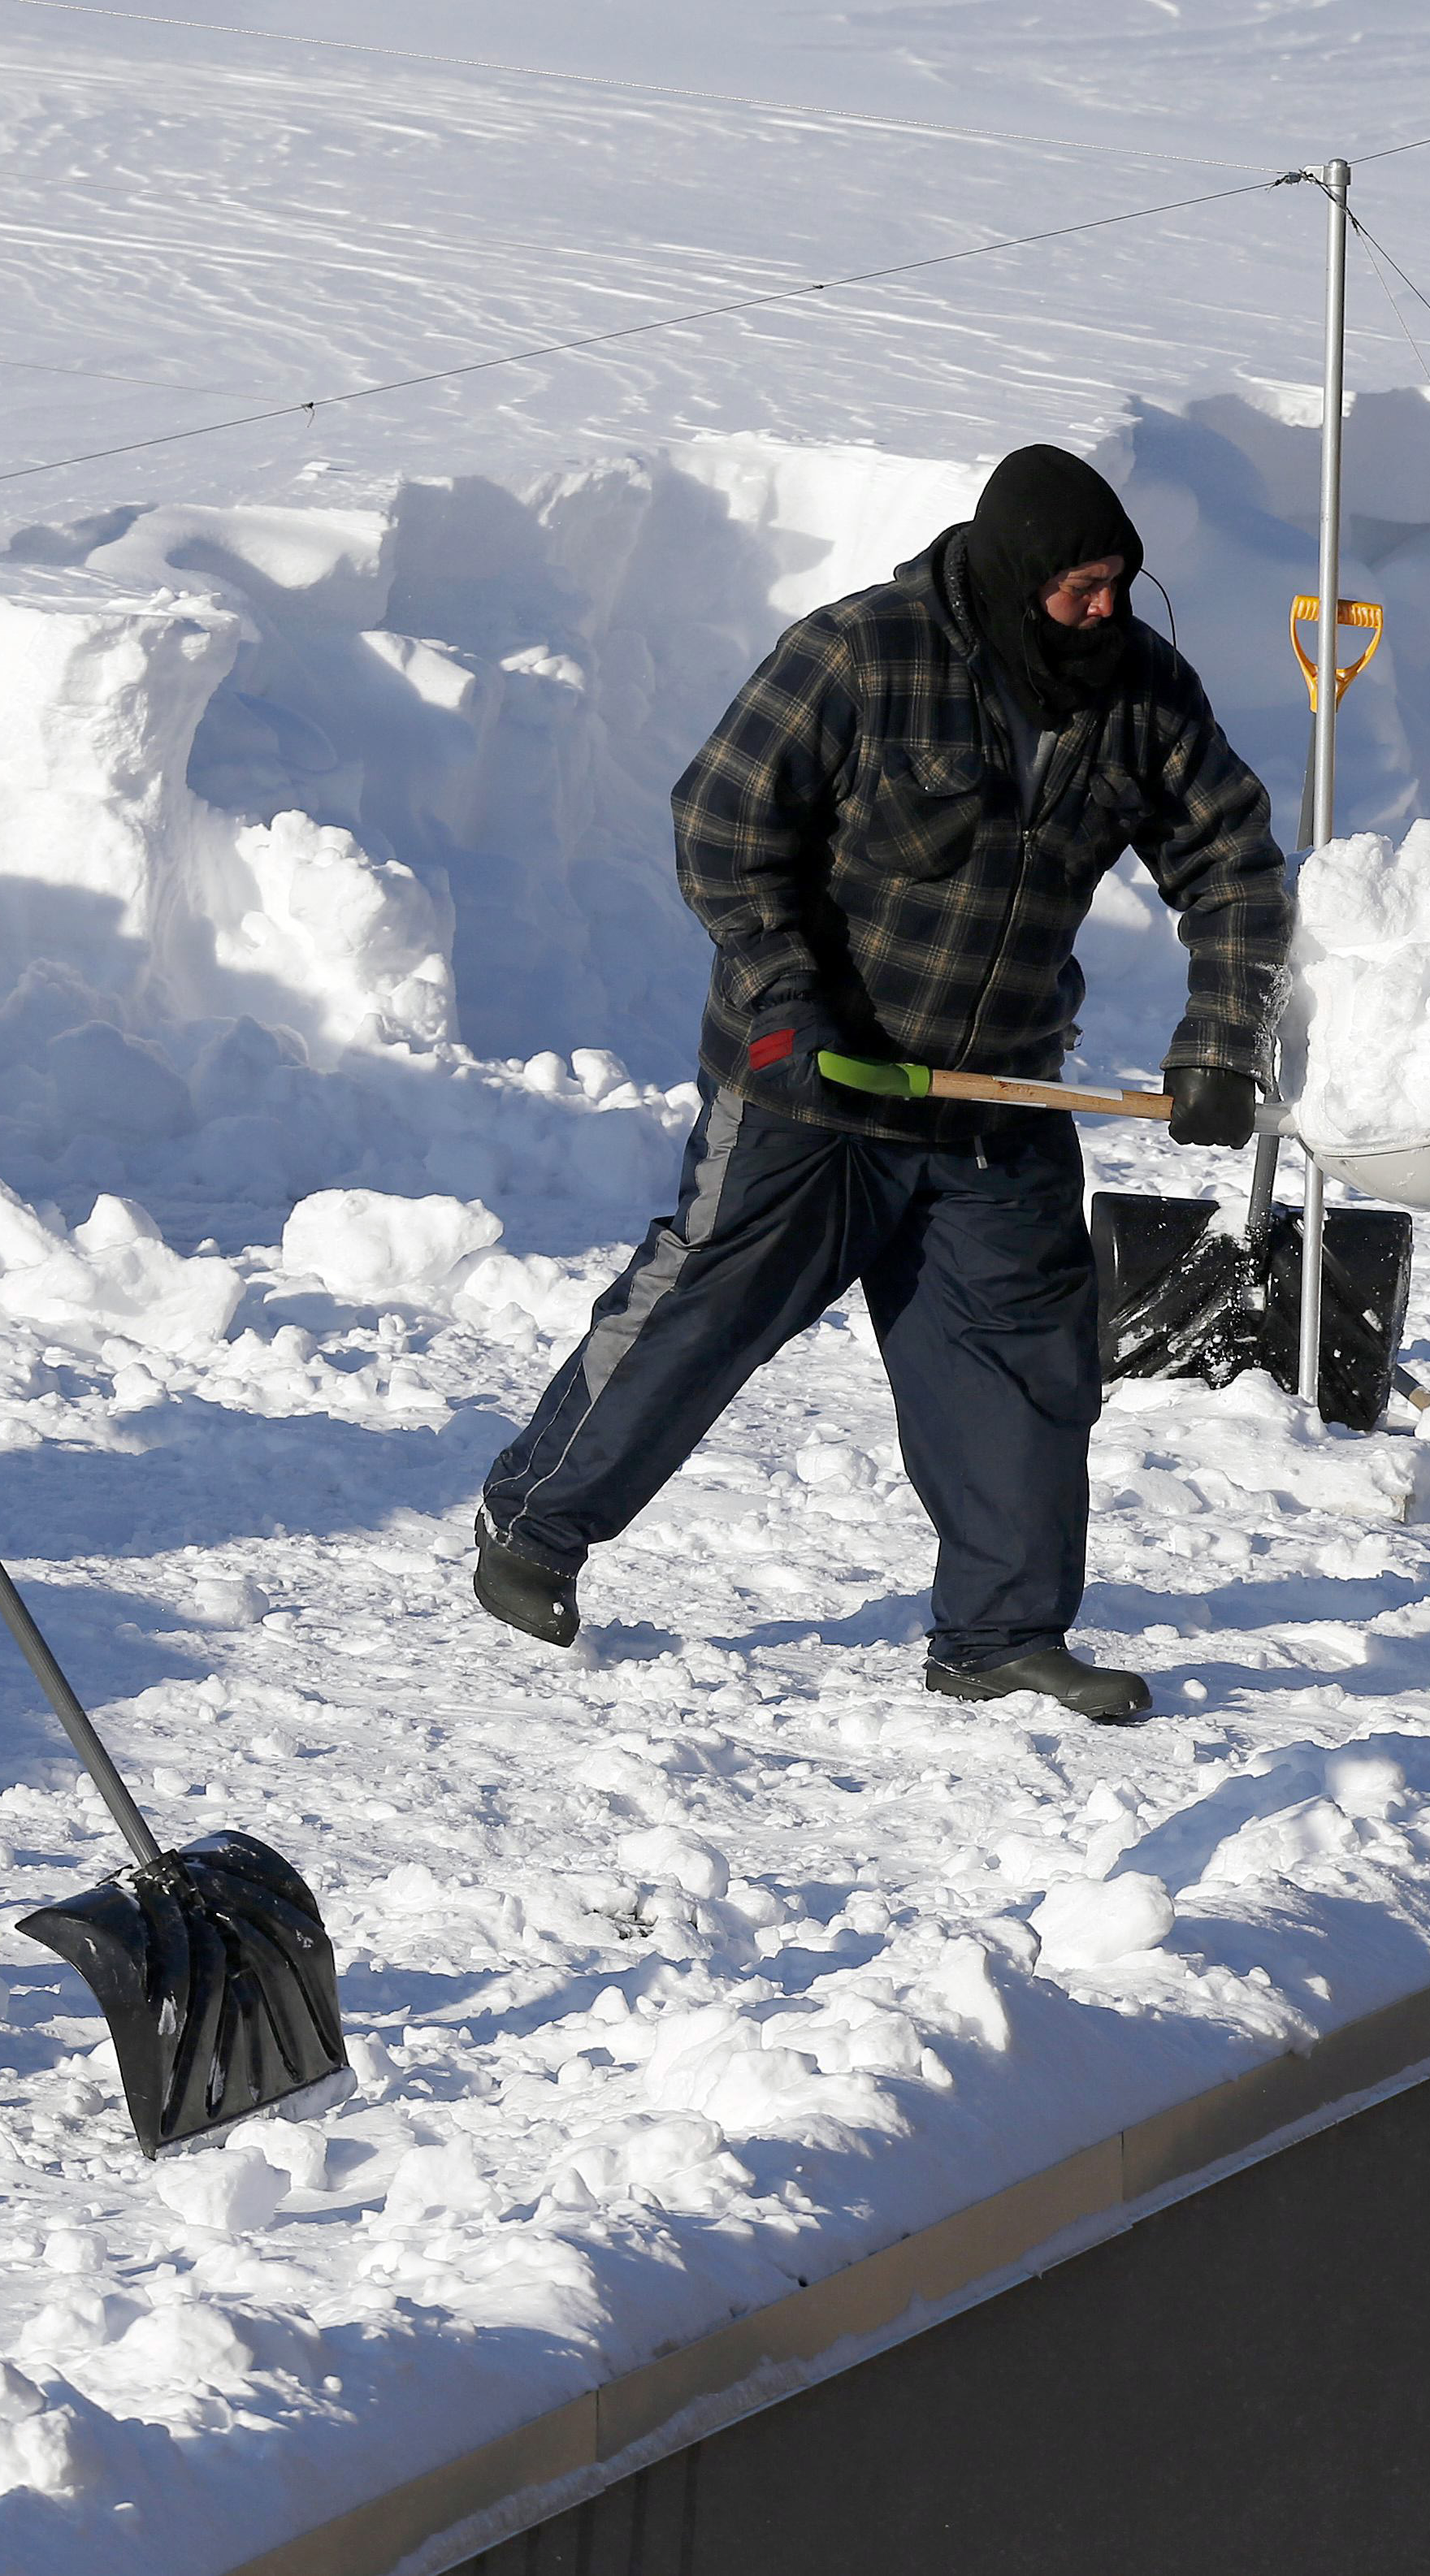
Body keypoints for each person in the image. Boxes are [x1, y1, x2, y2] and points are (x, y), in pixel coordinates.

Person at [470, 444, 1285, 1721]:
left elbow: (1231, 860)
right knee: (708, 1307)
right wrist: (787, 997)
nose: (1105, 609)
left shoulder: (1141, 689)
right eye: (1078, 587)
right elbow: (725, 828)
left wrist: (1220, 1043)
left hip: (994, 1091)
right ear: (1017, 573)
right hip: (816, 1078)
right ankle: (535, 1522)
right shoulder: (862, 652)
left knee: (1019, 1362)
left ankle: (1000, 1633)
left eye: (1120, 583)